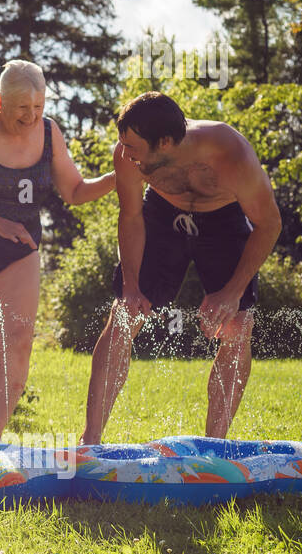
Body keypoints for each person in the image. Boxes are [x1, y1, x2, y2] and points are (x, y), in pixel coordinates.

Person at [82, 91, 282, 444]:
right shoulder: (127, 155)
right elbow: (130, 216)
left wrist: (231, 293)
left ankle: (214, 447)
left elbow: (269, 225)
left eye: (134, 148)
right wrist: (130, 287)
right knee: (124, 314)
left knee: (238, 324)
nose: (125, 155)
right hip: (160, 216)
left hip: (222, 221)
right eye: (123, 145)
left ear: (166, 142)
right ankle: (91, 439)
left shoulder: (229, 153)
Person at [0, 60, 115, 440]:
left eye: (38, 107)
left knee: (17, 340)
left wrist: (117, 176)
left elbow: (75, 192)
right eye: (21, 109)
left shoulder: (49, 133)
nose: (31, 117)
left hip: (18, 246)